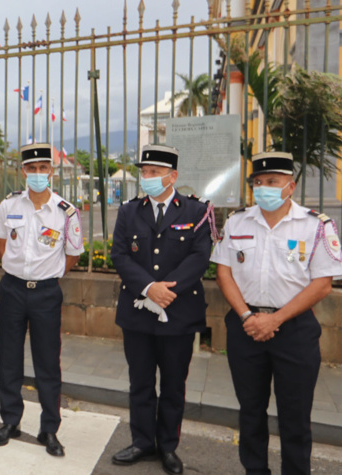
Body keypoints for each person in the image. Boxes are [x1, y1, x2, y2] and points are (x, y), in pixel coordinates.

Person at [211, 151, 342, 475]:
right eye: (258, 182)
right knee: (250, 412)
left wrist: (275, 319)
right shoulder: (237, 221)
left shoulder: (316, 225)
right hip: (246, 328)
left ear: (291, 185)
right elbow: (223, 274)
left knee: (295, 417)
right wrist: (247, 316)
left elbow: (323, 284)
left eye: (272, 181)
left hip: (295, 331)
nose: (263, 188)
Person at [109, 144, 213, 475]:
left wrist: (168, 290)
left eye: (155, 172)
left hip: (178, 312)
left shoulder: (196, 212)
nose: (148, 178)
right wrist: (148, 288)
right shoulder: (128, 211)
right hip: (138, 310)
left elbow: (200, 256)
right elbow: (120, 255)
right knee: (140, 381)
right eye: (145, 172)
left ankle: (168, 447)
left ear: (173, 176)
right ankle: (142, 442)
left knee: (173, 384)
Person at [0, 143, 83, 457]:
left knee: (47, 363)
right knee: (8, 359)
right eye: (32, 168)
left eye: (44, 168)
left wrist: (47, 273)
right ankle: (10, 421)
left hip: (45, 293)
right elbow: (2, 246)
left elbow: (71, 257)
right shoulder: (9, 205)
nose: (38, 174)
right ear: (24, 171)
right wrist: (19, 272)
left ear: (52, 171)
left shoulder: (66, 212)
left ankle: (49, 429)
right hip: (12, 289)